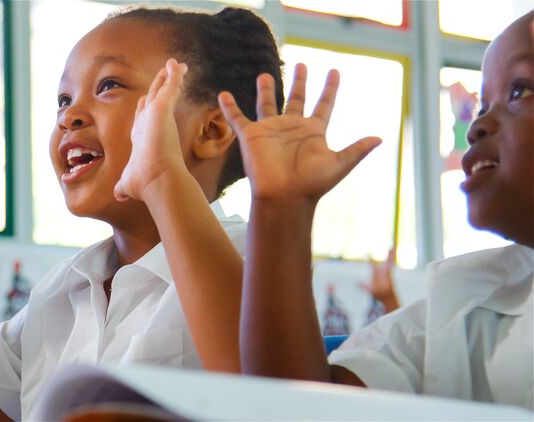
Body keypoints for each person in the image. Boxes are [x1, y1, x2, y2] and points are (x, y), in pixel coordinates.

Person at [0, 6, 283, 420]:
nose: (68, 117)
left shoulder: (251, 260)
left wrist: (164, 180)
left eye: (109, 85)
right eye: (64, 99)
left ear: (211, 131)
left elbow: (264, 398)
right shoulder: (61, 294)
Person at [226, 10, 533, 410]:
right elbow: (302, 409)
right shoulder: (456, 312)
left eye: (521, 90)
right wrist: (283, 208)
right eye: (481, 107)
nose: (478, 126)